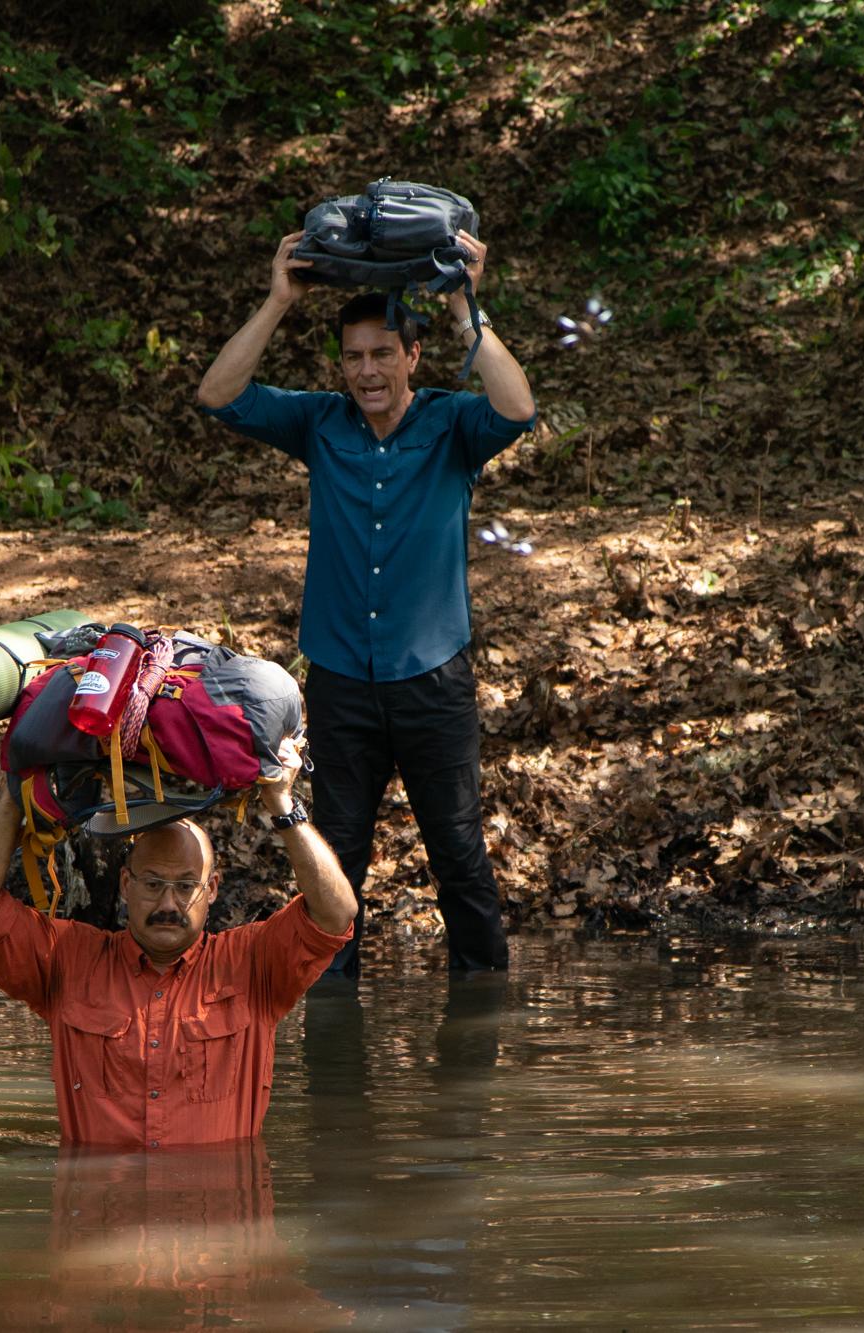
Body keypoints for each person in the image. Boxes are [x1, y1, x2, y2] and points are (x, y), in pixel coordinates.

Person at [195, 226, 538, 976]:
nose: (367, 370)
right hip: (342, 681)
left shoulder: (451, 423)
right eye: (353, 357)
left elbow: (517, 407)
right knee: (335, 862)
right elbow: (218, 395)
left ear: (412, 356)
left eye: (383, 353)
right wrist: (279, 299)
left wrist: (463, 308)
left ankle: (481, 1031)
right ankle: (331, 1041)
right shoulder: (320, 422)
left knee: (459, 858)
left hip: (433, 682)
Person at [0, 749, 355, 1148]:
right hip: (101, 1211)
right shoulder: (68, 959)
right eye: (153, 884)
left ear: (212, 890)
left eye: (185, 887)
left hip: (218, 1211)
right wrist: (14, 800)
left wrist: (282, 802)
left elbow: (336, 913)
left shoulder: (253, 964)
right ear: (126, 884)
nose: (167, 905)